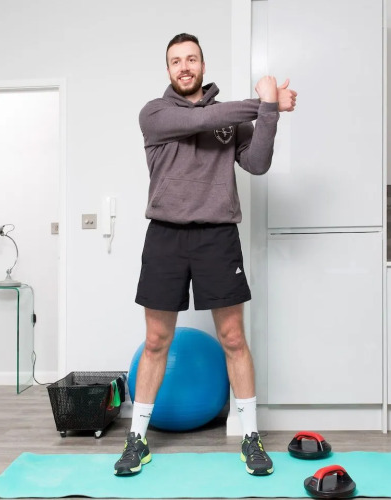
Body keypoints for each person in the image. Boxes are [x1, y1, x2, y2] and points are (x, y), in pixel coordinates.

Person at [114, 33, 296, 477]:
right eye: (176, 60)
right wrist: (266, 102)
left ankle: (250, 438)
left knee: (233, 338)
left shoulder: (229, 121)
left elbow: (257, 164)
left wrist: (270, 115)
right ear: (168, 69)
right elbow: (203, 118)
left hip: (217, 236)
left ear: (202, 65)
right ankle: (136, 440)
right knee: (156, 341)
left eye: (191, 59)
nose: (184, 67)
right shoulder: (155, 114)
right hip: (165, 237)